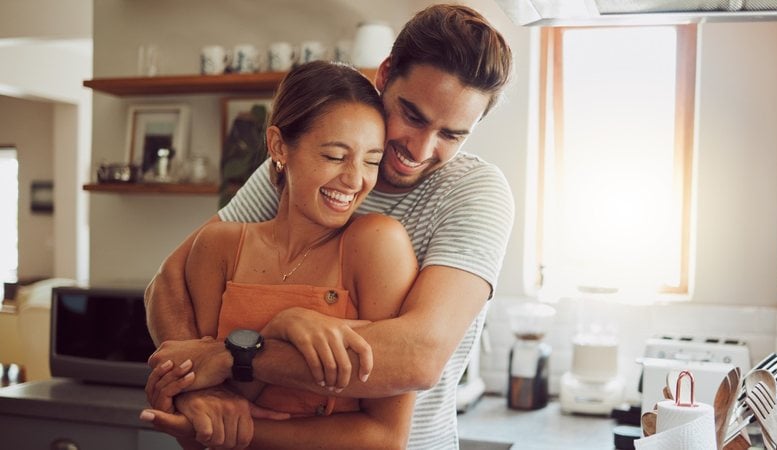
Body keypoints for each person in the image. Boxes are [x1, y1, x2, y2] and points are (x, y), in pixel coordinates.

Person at [144, 4, 514, 449]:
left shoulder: (475, 192)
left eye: (452, 135)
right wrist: (202, 392)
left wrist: (233, 356)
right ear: (385, 74)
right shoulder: (298, 172)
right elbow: (168, 282)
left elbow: (418, 356)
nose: (420, 148)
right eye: (413, 116)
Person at [143, 60, 419, 449]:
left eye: (371, 161)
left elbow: (386, 437)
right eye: (335, 156)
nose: (356, 179)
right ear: (278, 146)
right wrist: (273, 333)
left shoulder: (375, 245)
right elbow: (206, 417)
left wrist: (241, 422)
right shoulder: (218, 247)